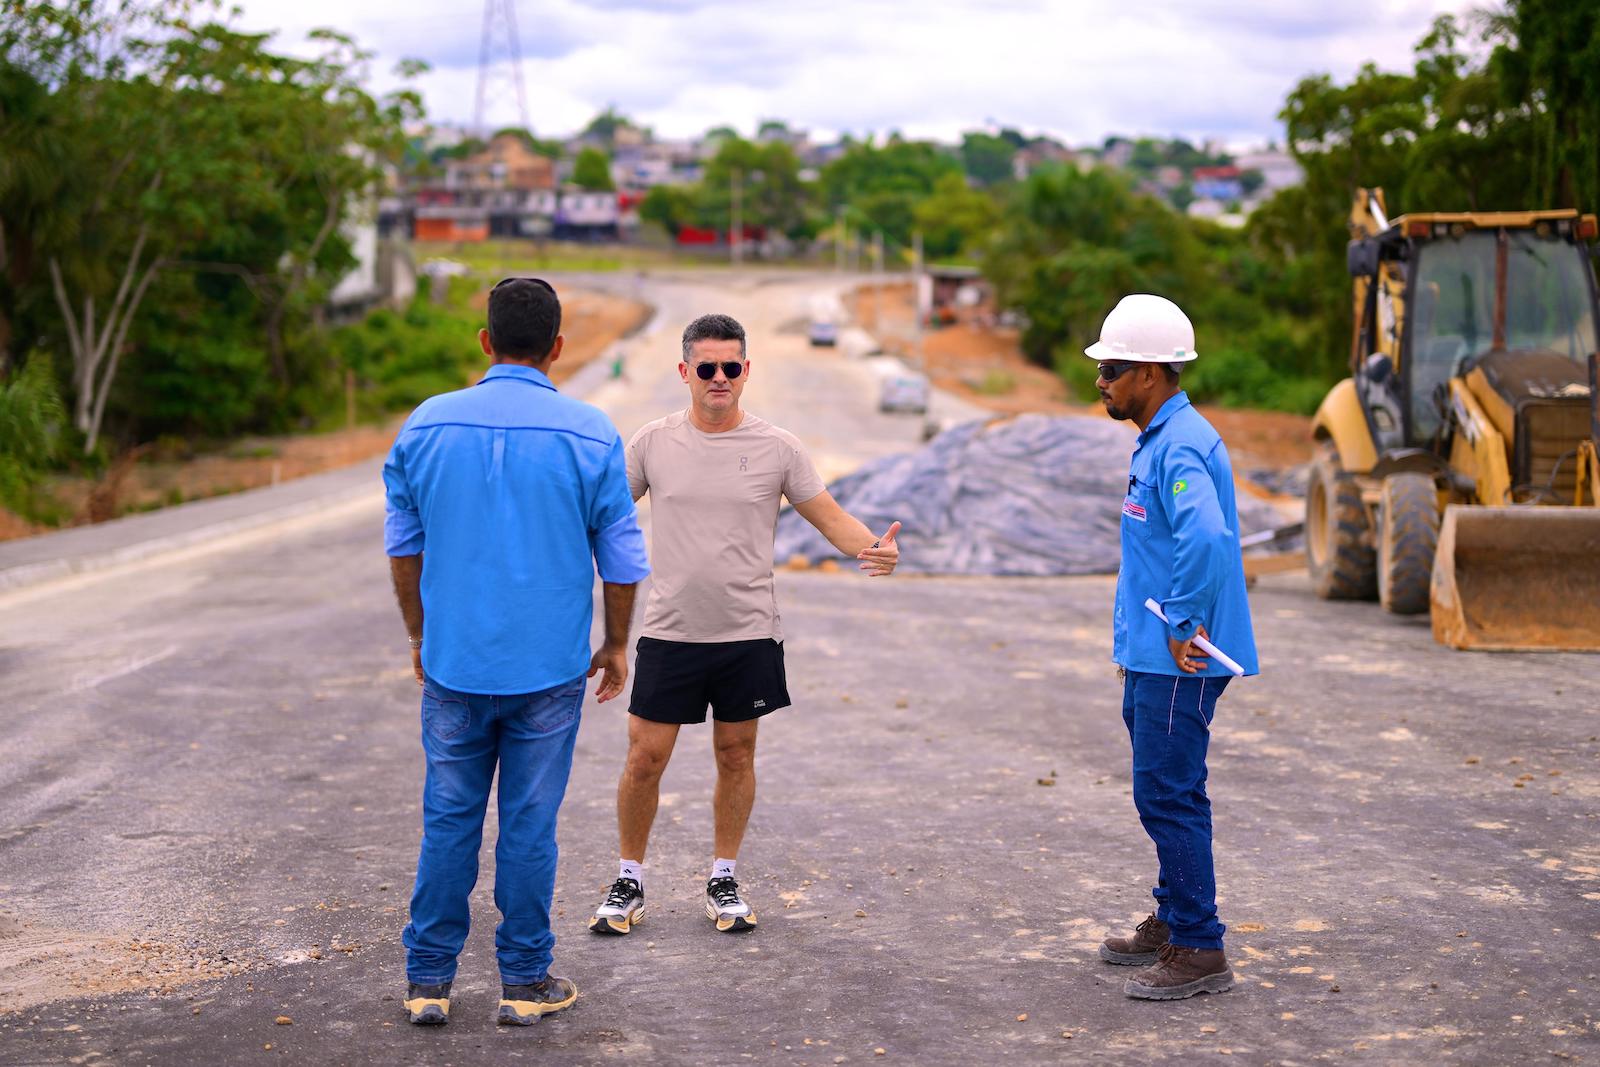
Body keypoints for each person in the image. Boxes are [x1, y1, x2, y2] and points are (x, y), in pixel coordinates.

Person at [383, 277, 649, 1026]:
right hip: (548, 672)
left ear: (485, 341)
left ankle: (429, 982)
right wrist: (616, 643)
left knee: (448, 819)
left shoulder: (426, 425)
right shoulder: (591, 432)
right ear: (559, 348)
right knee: (530, 826)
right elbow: (623, 561)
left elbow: (404, 546)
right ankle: (525, 982)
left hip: (455, 665)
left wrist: (418, 635)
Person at [588, 312, 900, 936]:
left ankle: (723, 877)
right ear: (685, 372)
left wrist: (875, 547)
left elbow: (830, 519)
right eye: (707, 368)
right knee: (645, 758)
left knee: (736, 753)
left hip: (748, 634)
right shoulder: (651, 443)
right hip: (670, 633)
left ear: (746, 370)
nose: (720, 378)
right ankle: (629, 880)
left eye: (732, 367)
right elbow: (604, 516)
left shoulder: (777, 448)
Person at [1086, 294, 1258, 1000]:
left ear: (1151, 373)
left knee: (1167, 793)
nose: (1101, 379)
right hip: (1154, 655)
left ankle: (1198, 945)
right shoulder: (1163, 436)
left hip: (1178, 659)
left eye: (1114, 368)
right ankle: (1173, 916)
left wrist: (1184, 620)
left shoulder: (1180, 444)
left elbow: (1208, 537)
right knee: (1170, 789)